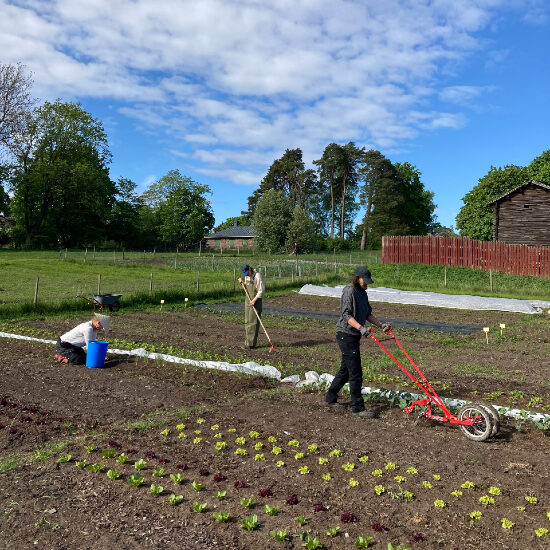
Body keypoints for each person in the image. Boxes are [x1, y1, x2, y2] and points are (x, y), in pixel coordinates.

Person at [325, 266, 391, 419]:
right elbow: (346, 315)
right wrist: (361, 328)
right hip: (345, 334)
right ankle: (358, 408)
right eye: (365, 281)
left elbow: (367, 313)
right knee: (355, 372)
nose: (367, 284)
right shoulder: (349, 291)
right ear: (357, 278)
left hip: (354, 335)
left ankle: (330, 398)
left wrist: (381, 325)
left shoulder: (363, 293)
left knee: (346, 370)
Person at [237, 264, 265, 349]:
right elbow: (247, 286)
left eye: (247, 273)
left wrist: (254, 300)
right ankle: (247, 342)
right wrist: (242, 283)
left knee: (253, 322)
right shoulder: (247, 276)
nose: (246, 275)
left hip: (255, 300)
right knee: (247, 321)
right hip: (248, 300)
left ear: (250, 270)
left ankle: (251, 344)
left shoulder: (257, 276)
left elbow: (261, 291)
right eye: (244, 274)